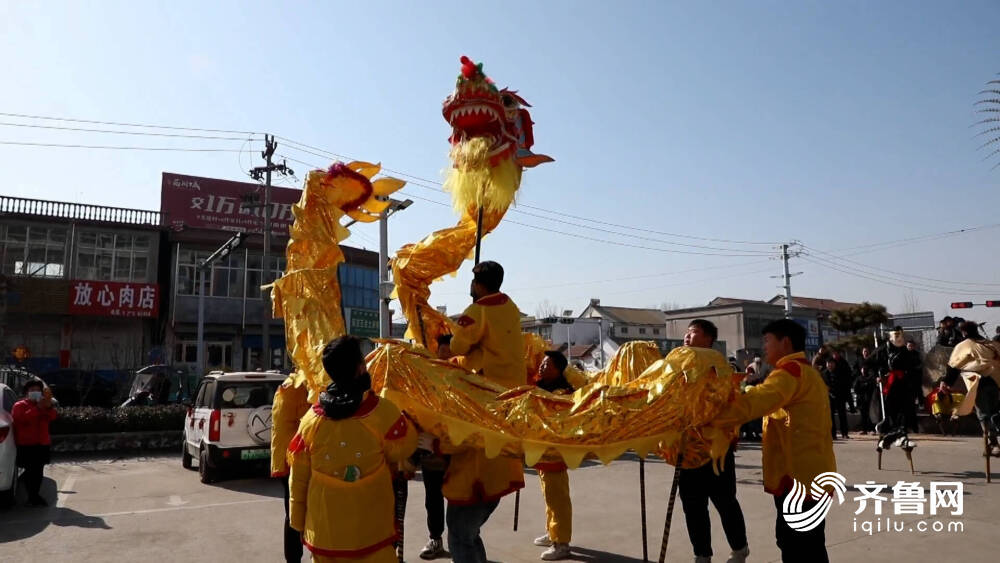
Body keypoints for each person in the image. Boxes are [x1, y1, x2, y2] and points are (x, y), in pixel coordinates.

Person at [713, 319, 836, 562]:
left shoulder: (789, 373)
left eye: (768, 340)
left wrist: (710, 410)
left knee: (798, 546)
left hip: (798, 477)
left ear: (785, 342)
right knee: (806, 543)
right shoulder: (808, 373)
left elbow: (756, 401)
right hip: (810, 472)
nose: (764, 346)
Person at [288, 336, 418, 562]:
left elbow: (298, 479)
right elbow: (405, 449)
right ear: (360, 368)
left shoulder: (311, 421)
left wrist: (297, 523)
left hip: (323, 536)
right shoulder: (383, 413)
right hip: (373, 535)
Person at [444, 261, 526, 563]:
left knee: (460, 534)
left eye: (472, 281)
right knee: (468, 534)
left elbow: (459, 344)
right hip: (511, 397)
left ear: (478, 283)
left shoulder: (478, 310)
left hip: (485, 397)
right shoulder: (511, 307)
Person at [679, 320, 750, 563]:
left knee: (724, 500)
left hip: (716, 450)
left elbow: (724, 404)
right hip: (687, 449)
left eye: (694, 333)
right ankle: (702, 554)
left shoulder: (719, 366)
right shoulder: (678, 367)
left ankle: (739, 548)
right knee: (693, 506)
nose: (687, 337)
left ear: (709, 339)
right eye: (687, 333)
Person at [531, 350, 575, 561]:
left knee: (557, 499)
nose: (542, 366)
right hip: (542, 451)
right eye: (542, 363)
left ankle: (562, 543)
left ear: (557, 369)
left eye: (547, 364)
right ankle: (552, 533)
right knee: (549, 496)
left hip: (554, 452)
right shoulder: (541, 387)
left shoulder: (563, 392)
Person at [416, 334, 456, 561]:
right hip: (431, 448)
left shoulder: (465, 380)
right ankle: (435, 538)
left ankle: (459, 540)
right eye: (442, 353)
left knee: (459, 498)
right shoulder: (427, 381)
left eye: (450, 354)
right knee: (433, 497)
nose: (446, 359)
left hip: (458, 450)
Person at [271, 371, 312, 563]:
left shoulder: (289, 385)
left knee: (293, 512)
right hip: (295, 461)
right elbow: (311, 424)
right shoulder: (301, 388)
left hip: (287, 459)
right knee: (296, 513)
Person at [943, 321, 1000, 456]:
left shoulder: (965, 345)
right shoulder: (993, 344)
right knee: (994, 410)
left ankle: (993, 443)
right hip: (996, 383)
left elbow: (954, 366)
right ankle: (994, 432)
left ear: (964, 332)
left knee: (984, 414)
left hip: (980, 383)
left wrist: (946, 383)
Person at [872, 327, 919, 451]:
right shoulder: (882, 350)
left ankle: (901, 437)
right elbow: (868, 364)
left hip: (903, 385)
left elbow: (913, 368)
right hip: (889, 387)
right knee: (890, 413)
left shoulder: (905, 351)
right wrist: (878, 376)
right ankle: (886, 438)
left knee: (905, 412)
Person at [12, 379, 58, 506]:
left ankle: (34, 495)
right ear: (26, 392)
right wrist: (37, 408)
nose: (35, 392)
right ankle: (33, 496)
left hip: (42, 443)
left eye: (38, 390)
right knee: (30, 470)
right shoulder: (20, 405)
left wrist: (48, 407)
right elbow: (21, 420)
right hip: (27, 444)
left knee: (38, 471)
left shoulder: (44, 404)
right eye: (32, 390)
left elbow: (53, 416)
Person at [822, 358, 850, 440]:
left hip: (839, 396)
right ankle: (832, 434)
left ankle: (844, 433)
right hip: (829, 397)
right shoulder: (823, 374)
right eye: (828, 363)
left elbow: (845, 384)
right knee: (830, 417)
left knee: (842, 415)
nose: (830, 365)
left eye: (831, 363)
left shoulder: (840, 373)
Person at [852, 347, 877, 435]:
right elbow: (856, 387)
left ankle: (872, 429)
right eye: (864, 351)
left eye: (867, 351)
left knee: (870, 412)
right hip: (861, 397)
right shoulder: (859, 377)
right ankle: (864, 429)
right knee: (863, 413)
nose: (865, 353)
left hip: (869, 395)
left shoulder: (872, 362)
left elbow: (872, 381)